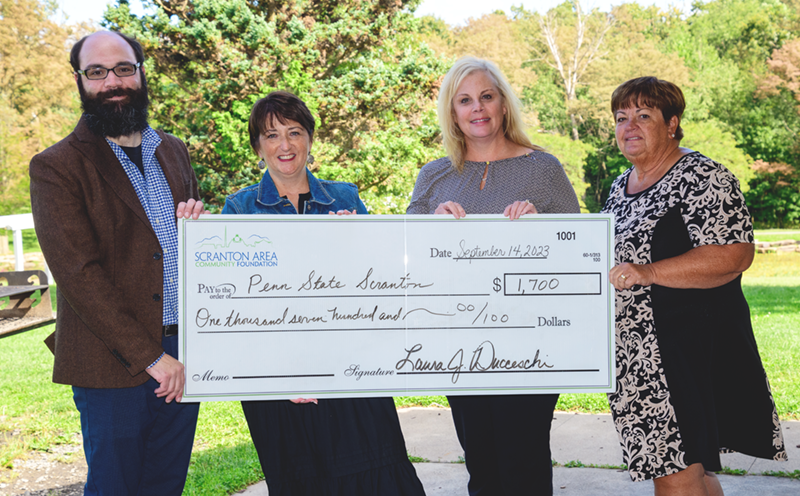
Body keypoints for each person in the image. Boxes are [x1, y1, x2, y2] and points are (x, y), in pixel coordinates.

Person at [221, 90, 425, 496]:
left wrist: (357, 240)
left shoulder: (345, 197)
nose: (285, 145)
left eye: (294, 132)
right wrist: (282, 376)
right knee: (302, 479)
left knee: (376, 475)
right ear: (257, 146)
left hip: (350, 368)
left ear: (310, 139)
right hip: (279, 380)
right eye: (272, 134)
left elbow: (378, 283)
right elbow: (234, 303)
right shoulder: (239, 208)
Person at [29, 31, 206, 495]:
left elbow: (185, 250)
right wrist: (152, 358)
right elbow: (77, 275)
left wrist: (198, 229)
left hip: (184, 353)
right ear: (80, 81)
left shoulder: (172, 150)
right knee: (116, 488)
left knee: (166, 486)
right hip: (112, 366)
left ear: (141, 72)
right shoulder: (56, 166)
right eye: (97, 72)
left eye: (123, 68)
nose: (113, 81)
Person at [602, 76, 787, 495]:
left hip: (684, 352)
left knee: (676, 473)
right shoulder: (619, 186)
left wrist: (649, 272)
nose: (629, 126)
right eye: (621, 117)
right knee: (694, 472)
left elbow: (735, 255)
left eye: (643, 116)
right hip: (637, 357)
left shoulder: (702, 176)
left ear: (672, 123)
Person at [407, 57, 580, 495]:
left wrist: (542, 227)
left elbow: (578, 253)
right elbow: (404, 258)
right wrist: (431, 229)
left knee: (524, 465)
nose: (477, 108)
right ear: (452, 112)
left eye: (486, 96)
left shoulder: (544, 169)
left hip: (531, 344)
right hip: (458, 345)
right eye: (464, 100)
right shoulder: (434, 176)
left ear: (503, 104)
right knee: (482, 466)